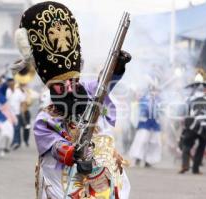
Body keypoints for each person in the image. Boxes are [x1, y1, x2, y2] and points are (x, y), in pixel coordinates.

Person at [14, 2, 131, 198]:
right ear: (50, 88)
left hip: (100, 178)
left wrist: (117, 66)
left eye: (73, 82)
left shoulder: (90, 91)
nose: (69, 88)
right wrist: (73, 153)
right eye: (61, 85)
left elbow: (105, 82)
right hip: (64, 180)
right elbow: (54, 146)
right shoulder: (45, 118)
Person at [179, 69, 206, 174]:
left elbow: (184, 111)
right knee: (200, 147)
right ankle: (195, 168)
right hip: (204, 126)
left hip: (192, 124)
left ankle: (185, 164)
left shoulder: (188, 99)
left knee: (186, 144)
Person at [129, 83, 162, 168]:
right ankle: (137, 158)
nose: (154, 92)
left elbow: (161, 111)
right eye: (153, 90)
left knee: (154, 143)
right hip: (145, 123)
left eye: (155, 90)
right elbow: (142, 110)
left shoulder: (159, 100)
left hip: (155, 125)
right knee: (141, 141)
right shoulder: (144, 99)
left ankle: (149, 160)